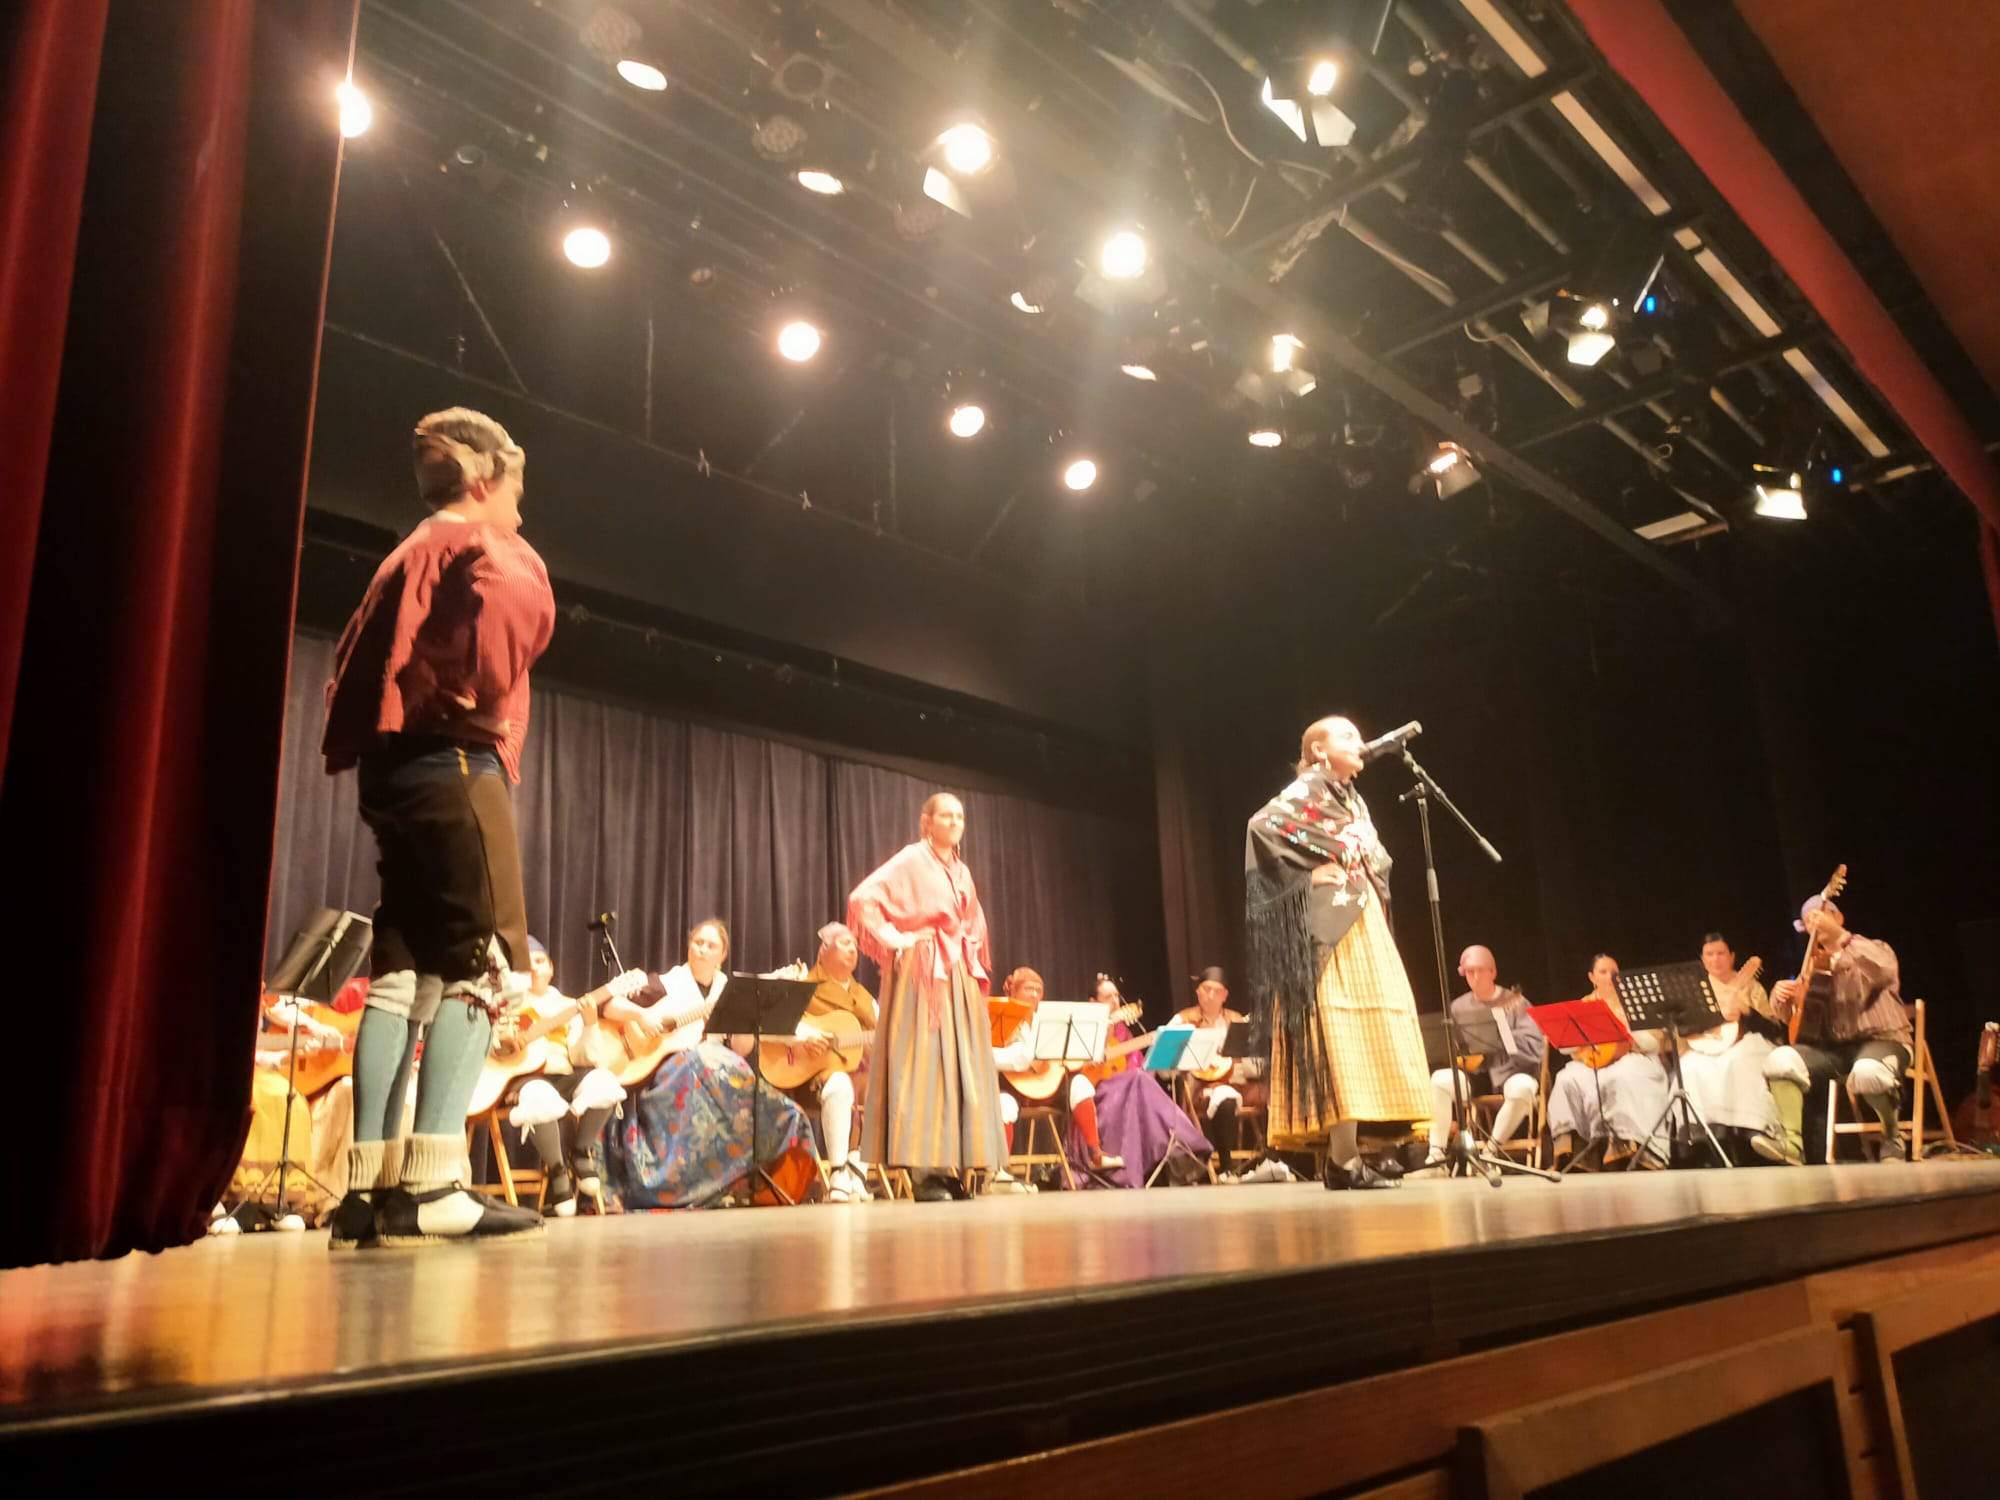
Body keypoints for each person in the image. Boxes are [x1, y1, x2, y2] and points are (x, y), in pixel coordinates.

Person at [321, 407, 554, 1248]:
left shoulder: (406, 550)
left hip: (396, 771)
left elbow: (353, 663)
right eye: (518, 486)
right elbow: (504, 650)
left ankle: (367, 1189)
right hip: (456, 764)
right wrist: (485, 686)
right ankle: (434, 1184)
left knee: (404, 969)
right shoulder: (485, 549)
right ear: (484, 479)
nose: (522, 505)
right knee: (486, 960)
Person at [1246, 716, 1432, 1189]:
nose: (1359, 740)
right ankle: (1343, 1160)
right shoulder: (1308, 789)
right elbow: (1262, 827)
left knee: (1368, 1030)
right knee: (1340, 1032)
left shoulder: (1350, 798)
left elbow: (1368, 855)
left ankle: (1352, 1155)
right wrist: (1304, 880)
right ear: (1318, 750)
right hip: (1331, 930)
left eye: (1357, 733)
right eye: (1345, 735)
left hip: (1361, 920)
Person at [848, 794, 1011, 1201]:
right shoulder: (911, 859)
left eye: (960, 816)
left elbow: (971, 922)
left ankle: (951, 1164)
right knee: (924, 1066)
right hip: (923, 974)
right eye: (946, 815)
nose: (954, 821)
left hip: (957, 974)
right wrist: (897, 938)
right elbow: (862, 899)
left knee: (959, 1068)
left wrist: (968, 951)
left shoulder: (961, 870)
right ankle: (923, 1170)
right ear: (928, 821)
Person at [604, 918, 819, 1208]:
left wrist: (748, 1016)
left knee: (751, 1089)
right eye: (698, 943)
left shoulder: (727, 989)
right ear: (688, 946)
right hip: (667, 1074)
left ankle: (744, 1181)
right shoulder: (666, 983)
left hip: (717, 1077)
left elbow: (741, 1049)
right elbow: (609, 1005)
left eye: (711, 945)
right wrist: (642, 1016)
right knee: (700, 1060)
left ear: (723, 955)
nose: (703, 950)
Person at [1757, 897, 1912, 1165]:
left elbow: (1885, 971)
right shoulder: (1811, 968)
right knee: (1780, 1059)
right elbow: (1797, 1022)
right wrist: (1781, 1000)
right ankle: (1792, 1143)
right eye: (1808, 920)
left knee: (1868, 1072)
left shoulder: (1873, 948)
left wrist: (1842, 937)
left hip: (1882, 1040)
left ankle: (1892, 1135)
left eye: (1821, 915)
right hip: (1835, 1051)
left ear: (1838, 917)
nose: (1814, 922)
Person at [503, 937, 631, 1216]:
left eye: (539, 962)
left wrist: (589, 1024)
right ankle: (558, 1169)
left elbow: (586, 1057)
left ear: (551, 967)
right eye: (526, 965)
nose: (534, 970)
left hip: (566, 1074)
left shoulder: (567, 1004)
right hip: (528, 1077)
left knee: (606, 1083)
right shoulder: (506, 1004)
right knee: (539, 1096)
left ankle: (580, 1149)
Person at [1079, 974, 1213, 1188]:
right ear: (1093, 1002)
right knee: (1138, 1082)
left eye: (1116, 996)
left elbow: (1138, 1065)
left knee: (1141, 1080)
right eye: (1107, 996)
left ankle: (1180, 1149)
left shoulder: (1123, 1029)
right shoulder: (1083, 1027)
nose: (1114, 1001)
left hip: (1128, 1086)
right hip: (1099, 1089)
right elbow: (1081, 1068)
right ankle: (1181, 1145)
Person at [781, 922, 878, 1205]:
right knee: (839, 1084)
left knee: (888, 1083)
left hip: (862, 1075)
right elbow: (780, 1023)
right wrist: (805, 1037)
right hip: (811, 1075)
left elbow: (885, 1031)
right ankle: (837, 1172)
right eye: (845, 943)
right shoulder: (803, 986)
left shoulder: (864, 997)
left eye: (855, 946)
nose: (853, 950)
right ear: (823, 951)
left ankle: (857, 1170)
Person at [991, 967, 1121, 1177]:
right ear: (1013, 991)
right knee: (1003, 1105)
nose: (1034, 994)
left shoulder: (1048, 1023)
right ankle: (1000, 1172)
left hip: (1048, 1088)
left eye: (1038, 990)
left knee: (1080, 1084)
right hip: (1014, 1088)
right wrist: (1019, 1057)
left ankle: (1095, 1153)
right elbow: (988, 1055)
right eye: (1028, 988)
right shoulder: (998, 1018)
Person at [1545, 954, 1670, 1170]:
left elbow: (1654, 1043)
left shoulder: (1634, 1002)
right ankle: (1572, 1148)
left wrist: (1627, 1033)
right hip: (1594, 1061)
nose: (1611, 977)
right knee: (1566, 1078)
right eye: (1603, 972)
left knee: (1620, 1076)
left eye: (1615, 972)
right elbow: (1567, 1047)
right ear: (1592, 977)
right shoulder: (1584, 1005)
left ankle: (1625, 1143)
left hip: (1632, 1057)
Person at [1426, 946, 1545, 1166]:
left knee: (1524, 1088)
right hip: (1474, 1076)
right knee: (1440, 1080)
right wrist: (1460, 1057)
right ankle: (1436, 1155)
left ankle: (1490, 1153)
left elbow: (1536, 1046)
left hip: (1511, 1071)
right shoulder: (1459, 1007)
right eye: (1470, 971)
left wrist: (1503, 1037)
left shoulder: (1515, 1002)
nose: (1476, 976)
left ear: (1493, 972)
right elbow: (1452, 1047)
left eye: (1481, 970)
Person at [1678, 933, 1779, 1161]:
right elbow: (1684, 1028)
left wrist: (1748, 1012)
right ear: (1702, 960)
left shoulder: (1750, 985)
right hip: (1706, 1045)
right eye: (1709, 955)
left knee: (1736, 1062)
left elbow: (1773, 1027)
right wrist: (1715, 1018)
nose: (1715, 960)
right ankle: (1701, 1137)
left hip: (1746, 1043)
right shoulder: (1695, 989)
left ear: (1732, 956)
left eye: (1721, 953)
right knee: (1689, 1066)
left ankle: (1749, 1132)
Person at [1175, 966, 1265, 1180]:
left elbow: (1255, 1059)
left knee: (1272, 1093)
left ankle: (1272, 1160)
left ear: (1225, 995)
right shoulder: (1183, 1020)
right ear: (1198, 991)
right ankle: (1227, 1166)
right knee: (1224, 1097)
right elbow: (1165, 1065)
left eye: (1217, 991)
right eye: (1206, 989)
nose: (1211, 995)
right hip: (1202, 1086)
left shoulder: (1237, 1021)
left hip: (1238, 1081)